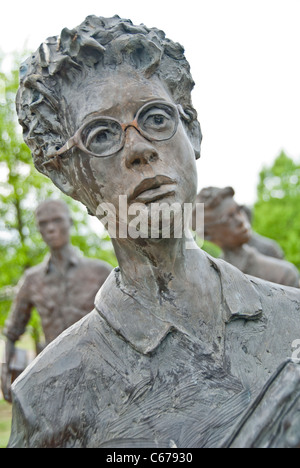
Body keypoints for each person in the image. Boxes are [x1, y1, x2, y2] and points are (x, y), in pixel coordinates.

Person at [7, 15, 300, 448]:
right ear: (67, 174)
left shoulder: (293, 315)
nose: (140, 148)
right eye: (102, 134)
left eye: (157, 118)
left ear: (193, 131)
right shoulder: (47, 397)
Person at [1, 199, 112, 402]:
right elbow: (10, 333)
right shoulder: (32, 280)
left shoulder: (100, 272)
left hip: (100, 376)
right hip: (56, 381)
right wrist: (5, 367)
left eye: (57, 220)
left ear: (69, 222)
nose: (50, 228)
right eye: (43, 224)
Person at [196, 186, 300, 288]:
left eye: (239, 210)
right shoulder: (211, 278)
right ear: (207, 235)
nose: (241, 220)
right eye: (229, 218)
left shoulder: (284, 275)